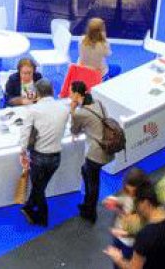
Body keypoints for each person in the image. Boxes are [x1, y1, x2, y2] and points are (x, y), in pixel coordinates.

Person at [19, 79, 69, 227]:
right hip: (56, 157)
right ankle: (28, 207)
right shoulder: (63, 108)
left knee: (39, 189)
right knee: (40, 186)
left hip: (40, 156)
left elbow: (25, 133)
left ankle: (42, 217)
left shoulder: (33, 110)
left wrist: (22, 151)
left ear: (37, 93)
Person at [103, 183, 165, 269]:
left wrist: (118, 259)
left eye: (136, 205)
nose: (136, 210)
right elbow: (159, 240)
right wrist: (128, 234)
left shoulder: (145, 236)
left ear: (145, 203)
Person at [68, 80, 113, 223]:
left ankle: (90, 211)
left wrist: (72, 110)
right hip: (107, 148)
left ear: (76, 94)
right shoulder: (98, 102)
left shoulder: (81, 113)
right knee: (87, 173)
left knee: (92, 181)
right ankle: (88, 205)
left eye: (70, 92)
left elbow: (74, 129)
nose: (69, 95)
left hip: (96, 153)